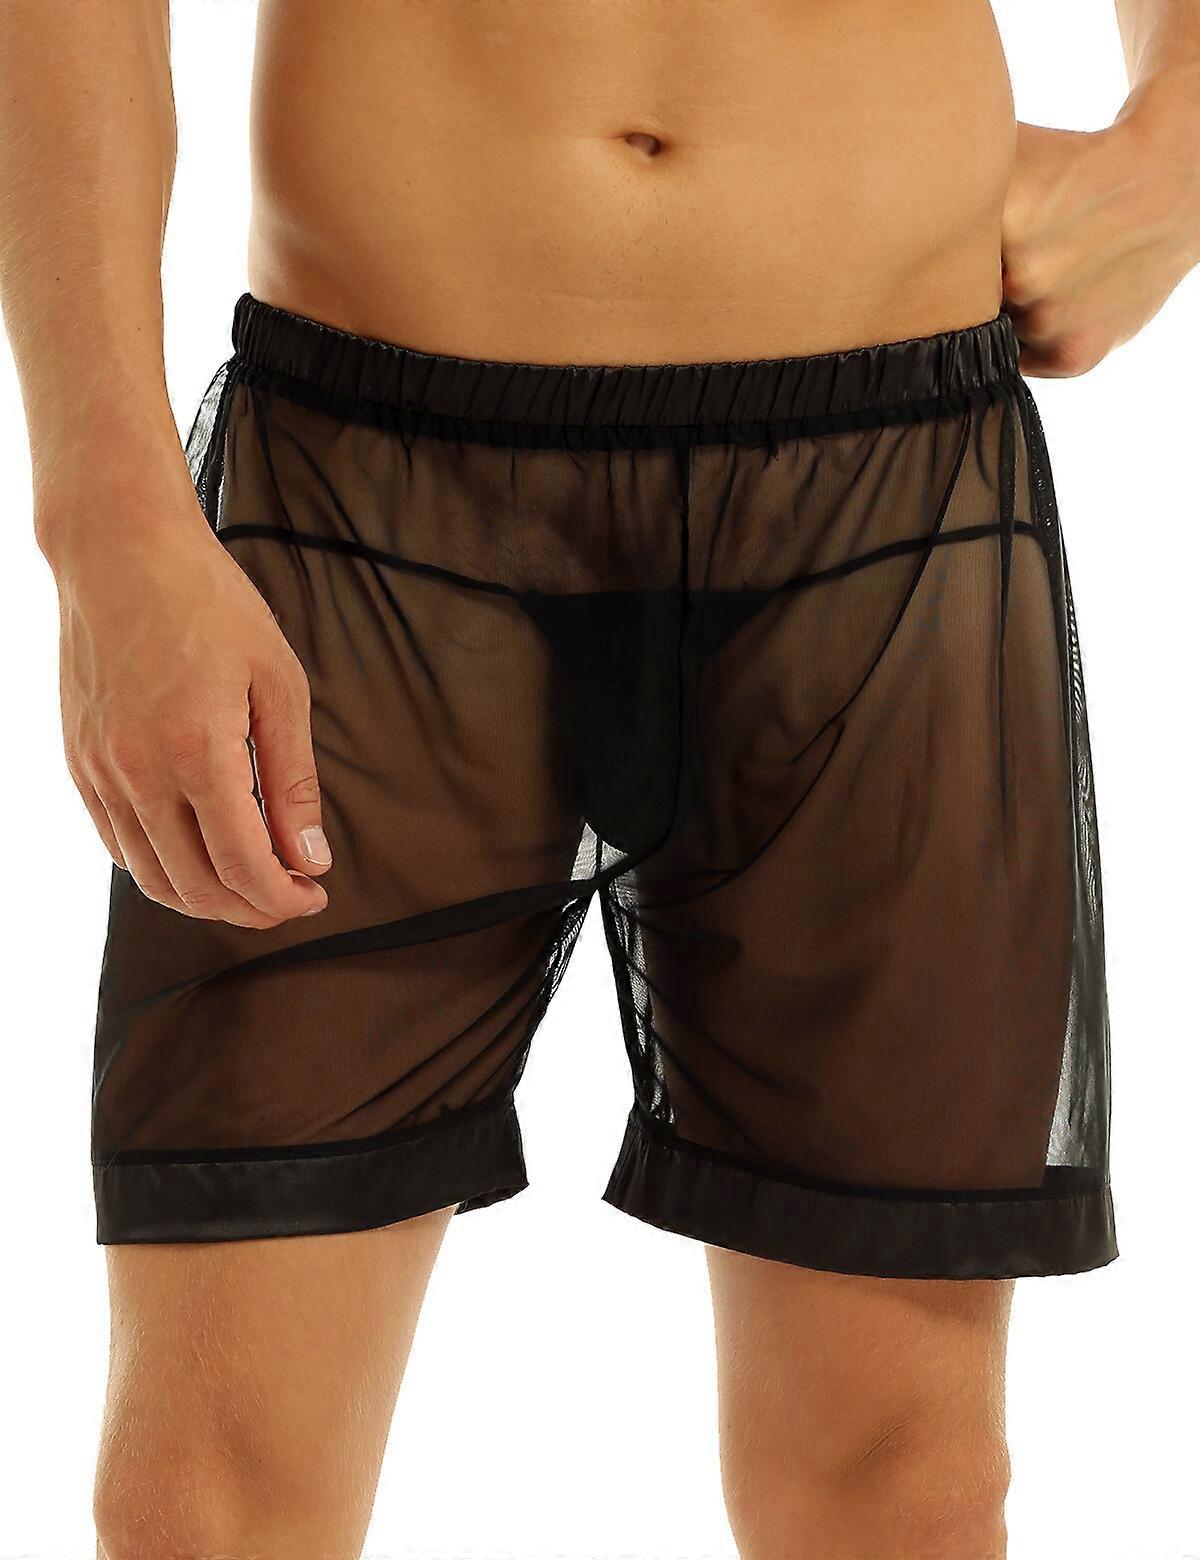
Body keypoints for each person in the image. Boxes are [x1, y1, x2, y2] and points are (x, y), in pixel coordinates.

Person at [1, 2, 1196, 1556]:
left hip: (878, 509)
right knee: (204, 1501)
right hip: (366, 505)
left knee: (905, 1489)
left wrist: (1182, 135)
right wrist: (102, 518)